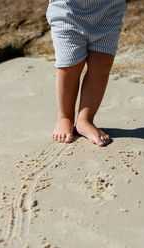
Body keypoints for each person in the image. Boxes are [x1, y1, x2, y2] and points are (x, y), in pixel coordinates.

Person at [47, 0, 127, 147]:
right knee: (69, 64)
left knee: (102, 63)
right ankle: (65, 117)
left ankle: (85, 120)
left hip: (109, 10)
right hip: (68, 11)